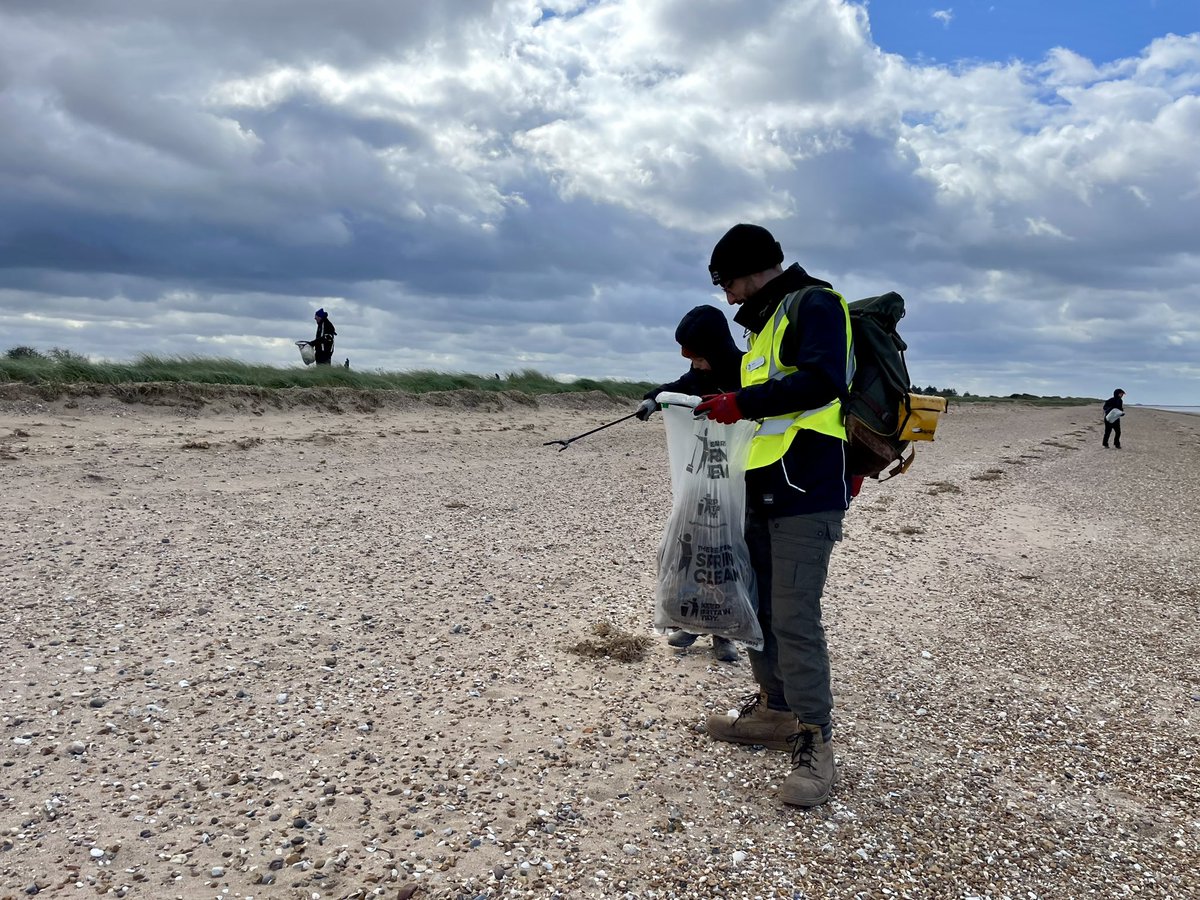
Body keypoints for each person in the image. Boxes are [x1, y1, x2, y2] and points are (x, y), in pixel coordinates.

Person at [692, 223, 854, 808]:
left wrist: (741, 403)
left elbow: (821, 382)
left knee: (793, 616)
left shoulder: (816, 304)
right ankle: (775, 711)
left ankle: (815, 740)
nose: (728, 297)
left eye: (727, 282)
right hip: (762, 489)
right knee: (756, 610)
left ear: (751, 270)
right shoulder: (766, 327)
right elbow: (745, 391)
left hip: (806, 492)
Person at [637, 305, 745, 663]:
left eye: (700, 358)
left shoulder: (746, 373)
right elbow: (675, 388)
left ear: (716, 349)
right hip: (698, 482)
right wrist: (652, 399)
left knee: (724, 556)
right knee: (690, 551)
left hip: (734, 486)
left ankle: (723, 633)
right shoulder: (697, 374)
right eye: (692, 359)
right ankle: (691, 623)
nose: (696, 365)